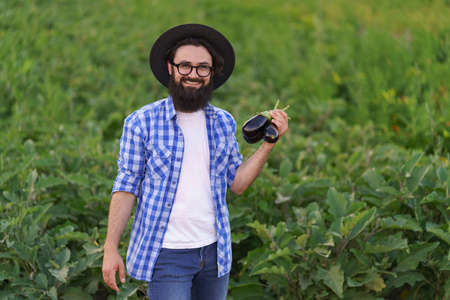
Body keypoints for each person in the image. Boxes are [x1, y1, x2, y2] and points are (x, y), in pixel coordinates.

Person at [102, 24, 289, 300]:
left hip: (215, 254)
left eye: (203, 67)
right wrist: (110, 248)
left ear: (212, 73)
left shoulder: (223, 122)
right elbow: (126, 187)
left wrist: (268, 144)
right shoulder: (142, 122)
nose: (193, 74)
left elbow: (236, 184)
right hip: (167, 255)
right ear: (170, 68)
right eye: (185, 65)